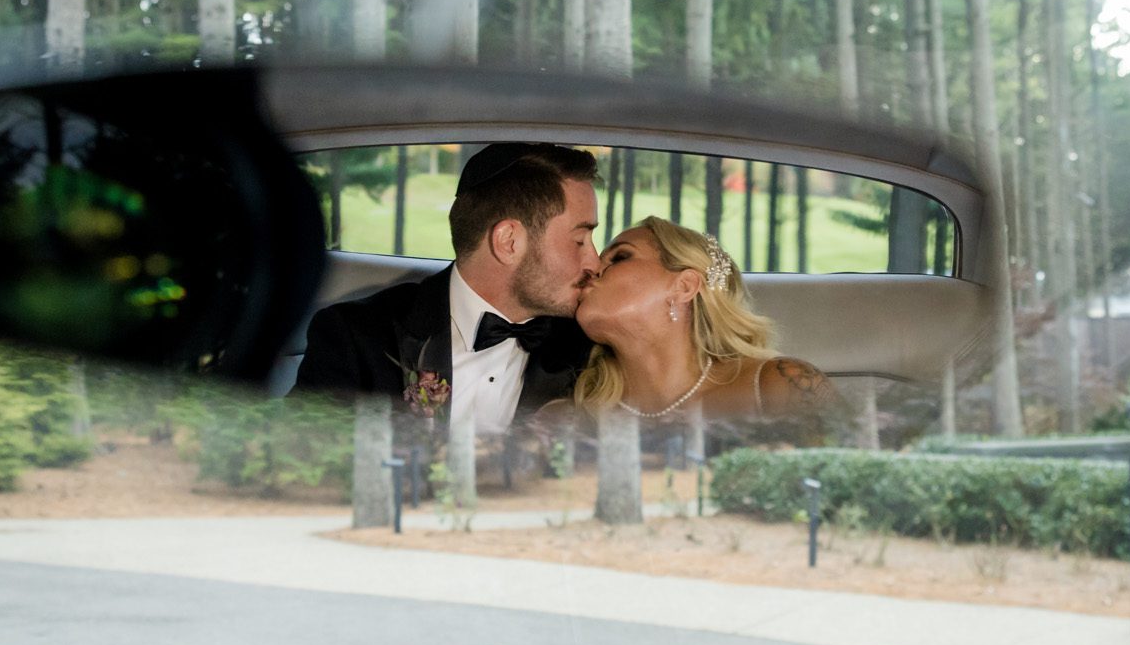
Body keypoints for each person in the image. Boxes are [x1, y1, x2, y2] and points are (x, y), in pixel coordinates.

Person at [293, 143, 602, 433]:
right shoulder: (355, 338)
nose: (595, 262)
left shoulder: (588, 350)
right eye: (579, 241)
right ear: (509, 242)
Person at [560, 217, 837, 423]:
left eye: (620, 257)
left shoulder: (781, 385)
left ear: (684, 286)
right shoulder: (570, 416)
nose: (593, 267)